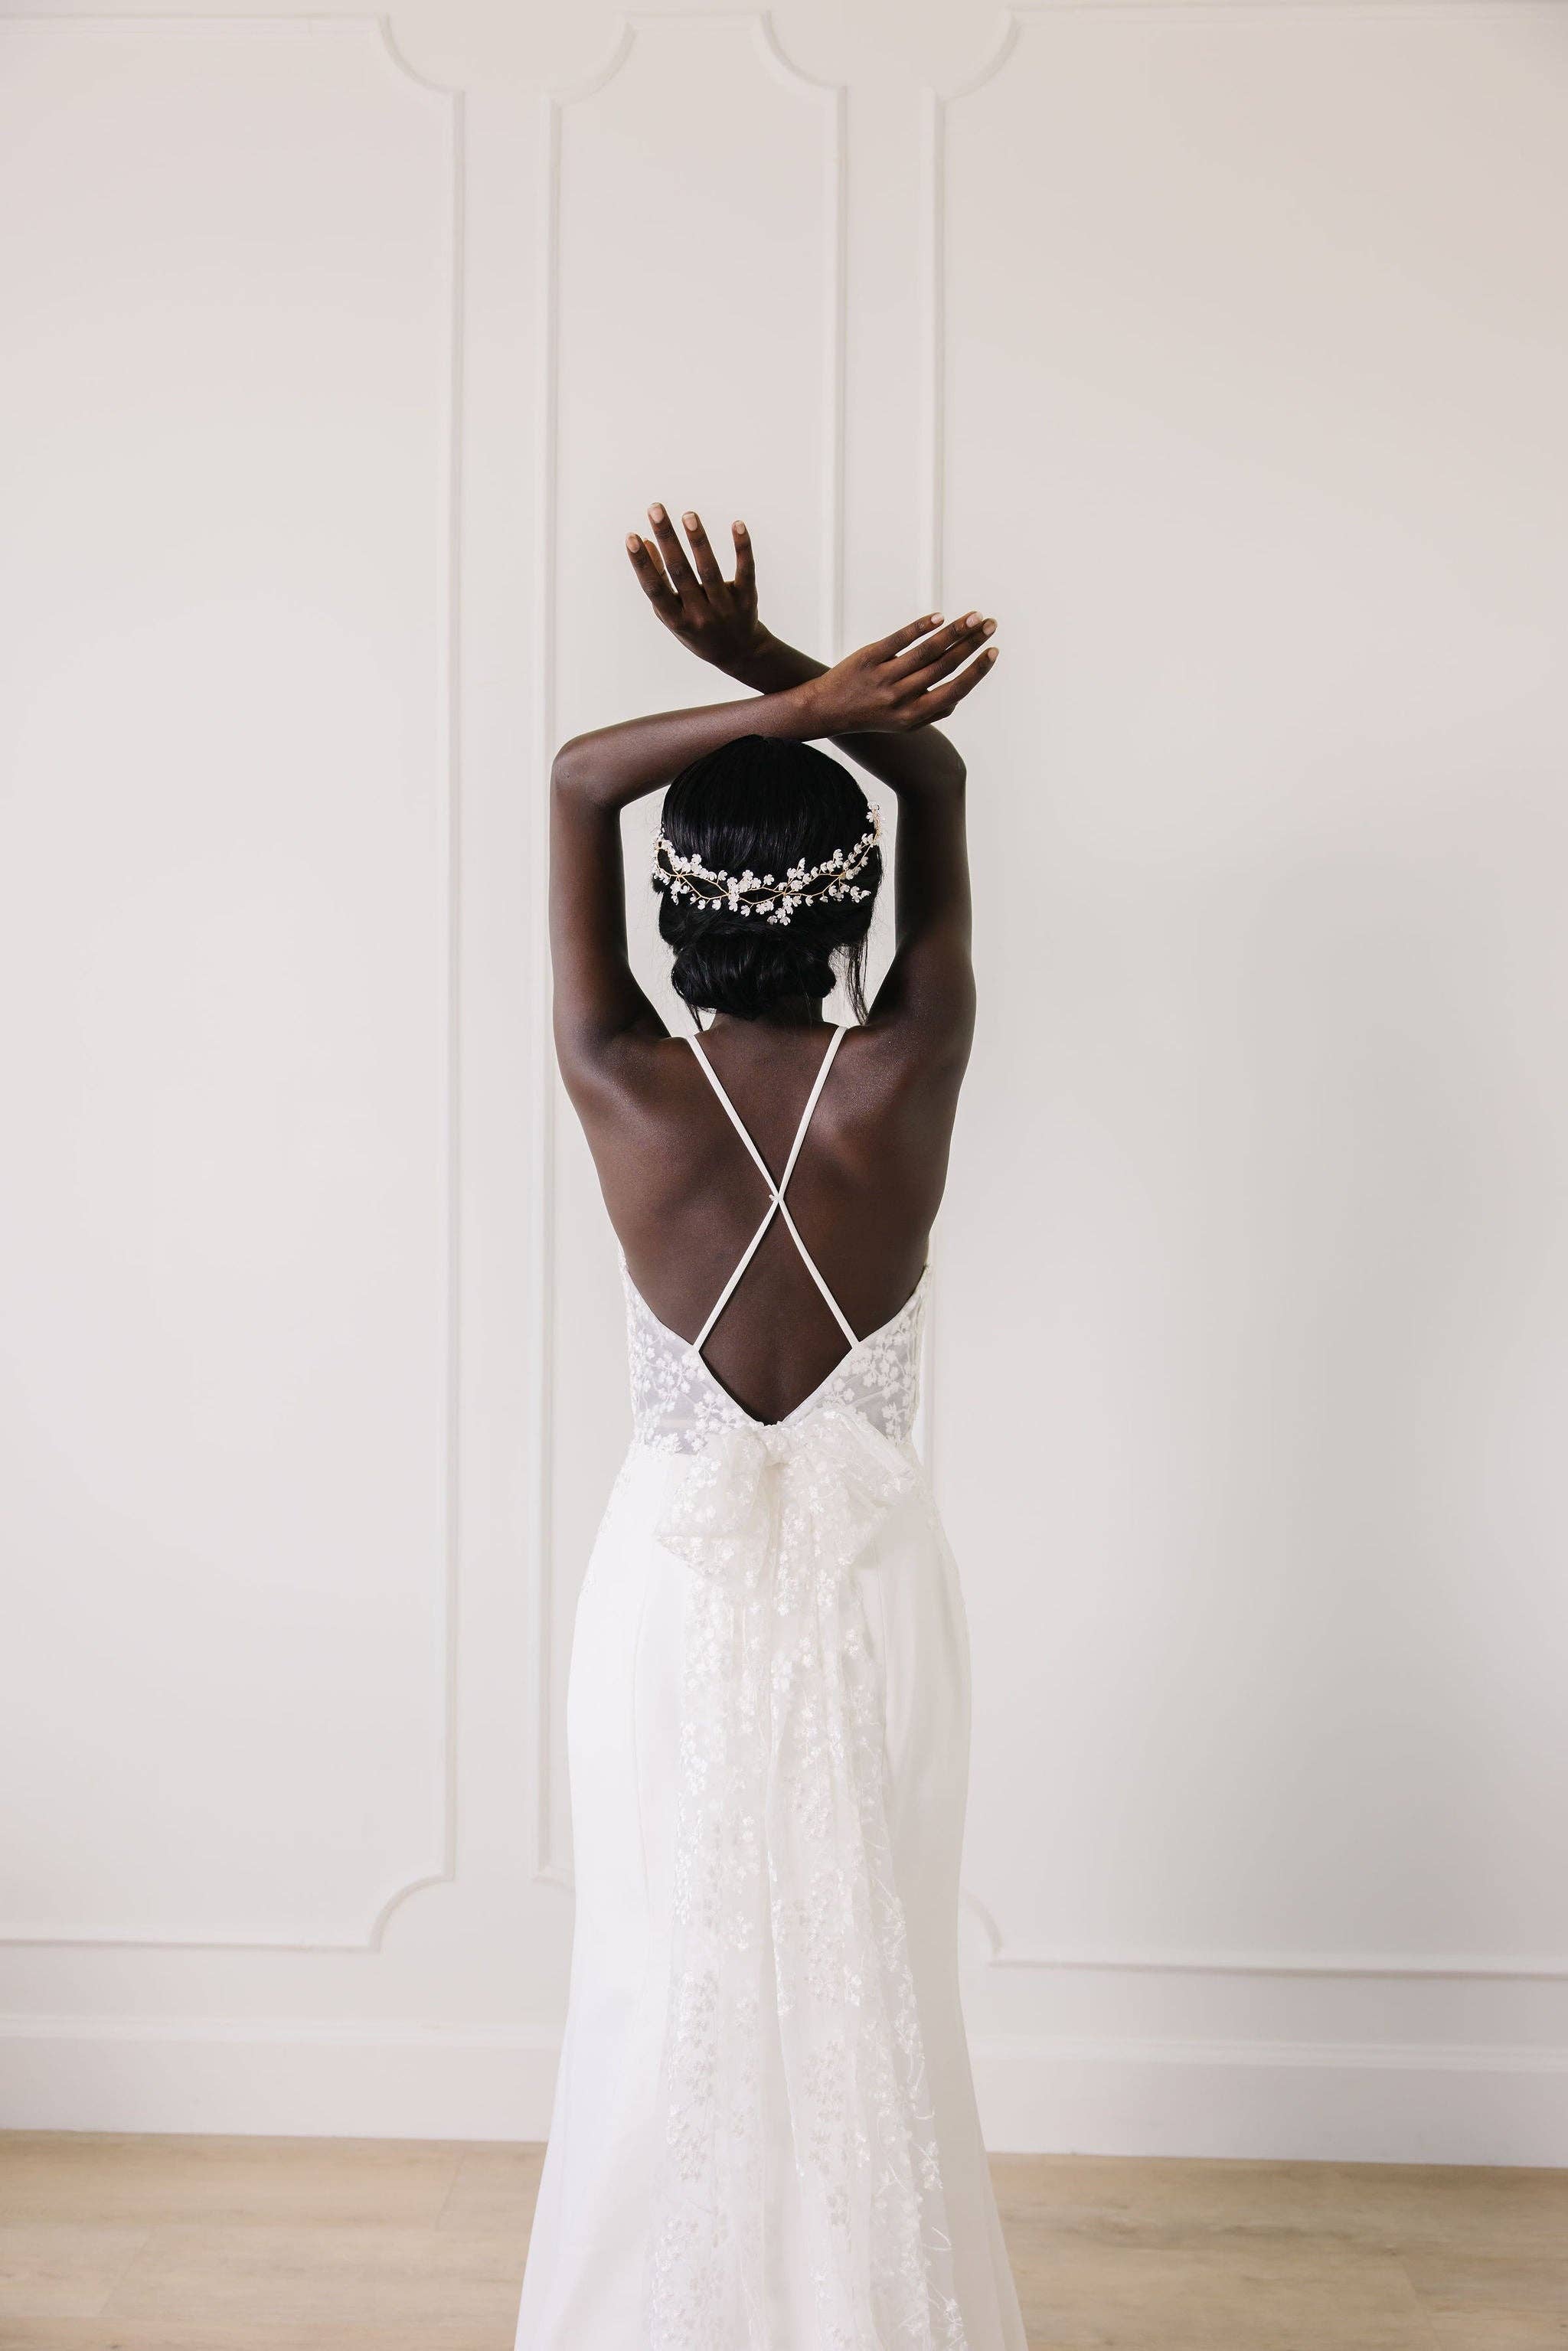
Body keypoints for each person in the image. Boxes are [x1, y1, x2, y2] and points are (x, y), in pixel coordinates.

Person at [514, 503, 1025, 2351]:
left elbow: (579, 780)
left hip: (667, 1595)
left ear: (668, 911)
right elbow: (935, 774)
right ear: (856, 908)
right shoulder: (910, 1065)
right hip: (878, 1590)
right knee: (877, 1961)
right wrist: (794, 685)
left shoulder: (618, 1079)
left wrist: (775, 699)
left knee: (661, 1971)